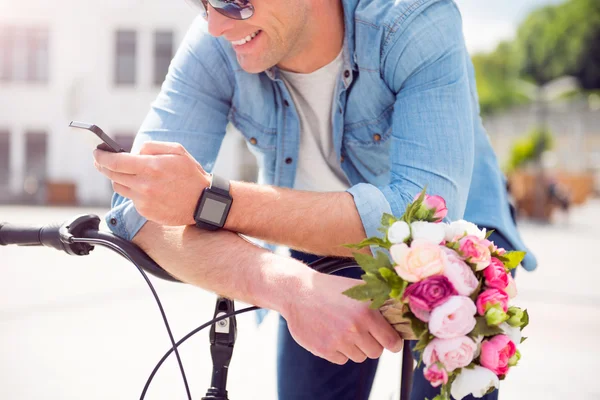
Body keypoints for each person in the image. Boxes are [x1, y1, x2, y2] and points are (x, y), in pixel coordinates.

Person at [92, 0, 537, 398]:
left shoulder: (413, 18)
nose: (213, 23)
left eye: (234, 1)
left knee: (445, 390)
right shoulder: (213, 45)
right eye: (201, 1)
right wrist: (289, 286)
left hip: (455, 236)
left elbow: (421, 215)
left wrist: (211, 201)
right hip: (319, 235)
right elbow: (138, 213)